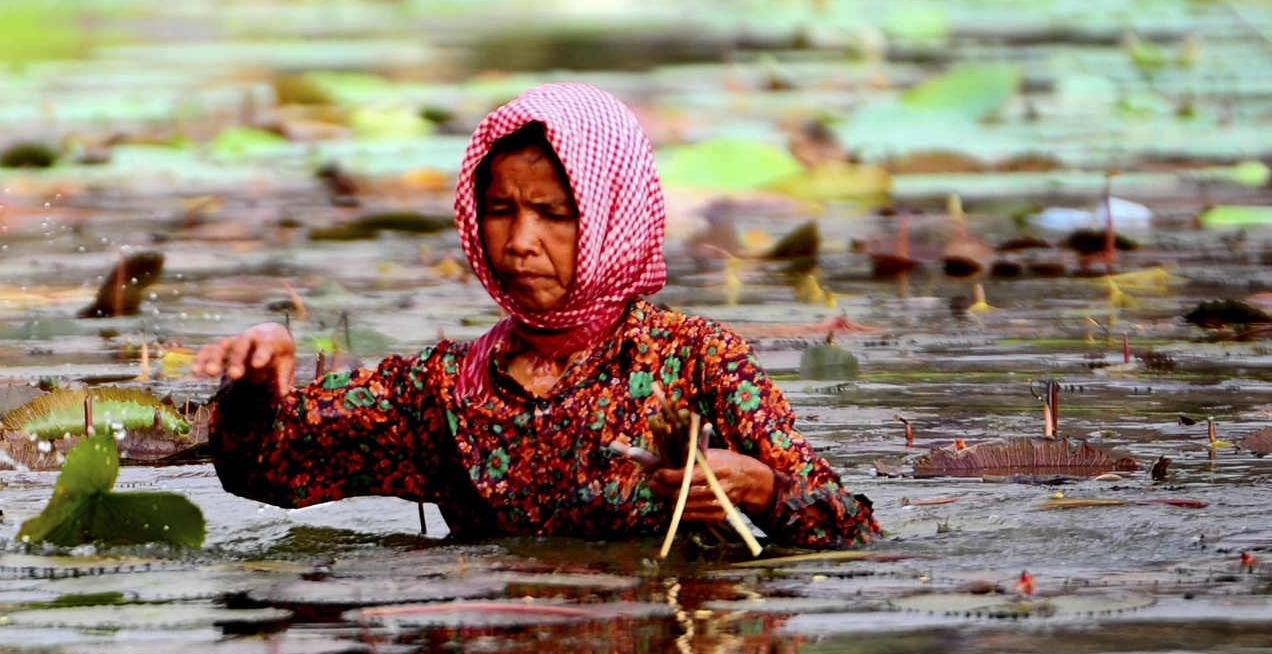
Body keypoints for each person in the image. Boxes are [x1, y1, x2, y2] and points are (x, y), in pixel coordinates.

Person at [192, 82, 878, 548]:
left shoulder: (696, 362)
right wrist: (259, 381)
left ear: (612, 218)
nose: (519, 242)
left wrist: (761, 490)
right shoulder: (446, 390)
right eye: (499, 211)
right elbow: (271, 469)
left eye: (553, 214)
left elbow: (851, 526)